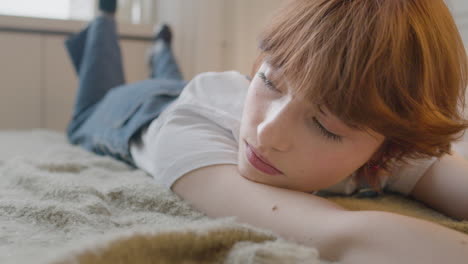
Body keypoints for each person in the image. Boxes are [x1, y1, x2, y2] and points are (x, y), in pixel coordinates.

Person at [66, 0, 468, 263]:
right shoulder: (188, 127)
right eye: (271, 81)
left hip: (204, 97)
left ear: (384, 151)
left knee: (172, 79)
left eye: (324, 127)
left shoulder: (379, 130)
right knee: (91, 103)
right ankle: (104, 21)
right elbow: (343, 234)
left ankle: (161, 54)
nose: (267, 132)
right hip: (136, 114)